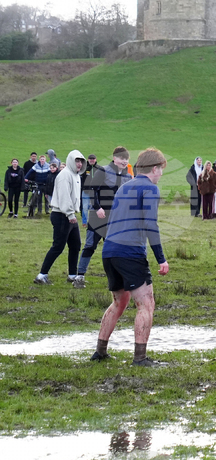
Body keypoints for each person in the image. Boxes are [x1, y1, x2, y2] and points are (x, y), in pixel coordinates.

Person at [90, 147, 170, 367]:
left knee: (119, 302)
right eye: (161, 170)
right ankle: (140, 358)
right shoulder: (151, 189)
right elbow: (150, 224)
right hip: (130, 252)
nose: (161, 174)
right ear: (154, 168)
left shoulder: (125, 187)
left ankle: (100, 352)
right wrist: (161, 258)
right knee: (146, 303)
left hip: (110, 251)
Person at [76, 147, 132, 288]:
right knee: (90, 246)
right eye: (121, 158)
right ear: (114, 158)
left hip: (115, 219)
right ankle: (79, 277)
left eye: (126, 159)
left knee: (114, 249)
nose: (124, 161)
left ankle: (115, 278)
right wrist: (97, 208)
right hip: (98, 217)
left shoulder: (127, 176)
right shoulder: (103, 171)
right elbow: (92, 190)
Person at [34, 150, 85, 285]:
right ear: (70, 161)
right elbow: (64, 197)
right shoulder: (64, 175)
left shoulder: (76, 175)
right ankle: (41, 275)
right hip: (61, 214)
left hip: (70, 215)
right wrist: (70, 214)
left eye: (81, 161)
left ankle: (72, 275)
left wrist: (73, 213)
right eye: (77, 161)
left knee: (75, 245)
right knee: (58, 246)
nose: (79, 164)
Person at [80, 154, 99, 226]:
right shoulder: (84, 168)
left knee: (95, 206)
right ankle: (84, 222)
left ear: (95, 159)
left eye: (93, 159)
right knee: (85, 207)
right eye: (90, 159)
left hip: (95, 191)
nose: (92, 160)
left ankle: (95, 221)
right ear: (88, 160)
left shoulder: (98, 168)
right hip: (86, 191)